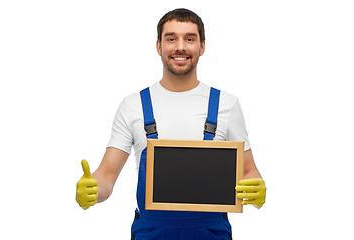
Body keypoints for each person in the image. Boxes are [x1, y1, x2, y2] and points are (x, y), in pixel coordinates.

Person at [76, 8, 266, 240]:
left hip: (211, 233)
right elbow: (106, 174)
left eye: (190, 38)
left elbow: (248, 169)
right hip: (151, 233)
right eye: (171, 38)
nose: (180, 46)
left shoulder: (227, 104)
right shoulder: (133, 105)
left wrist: (255, 188)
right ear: (159, 46)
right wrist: (93, 190)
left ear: (202, 47)